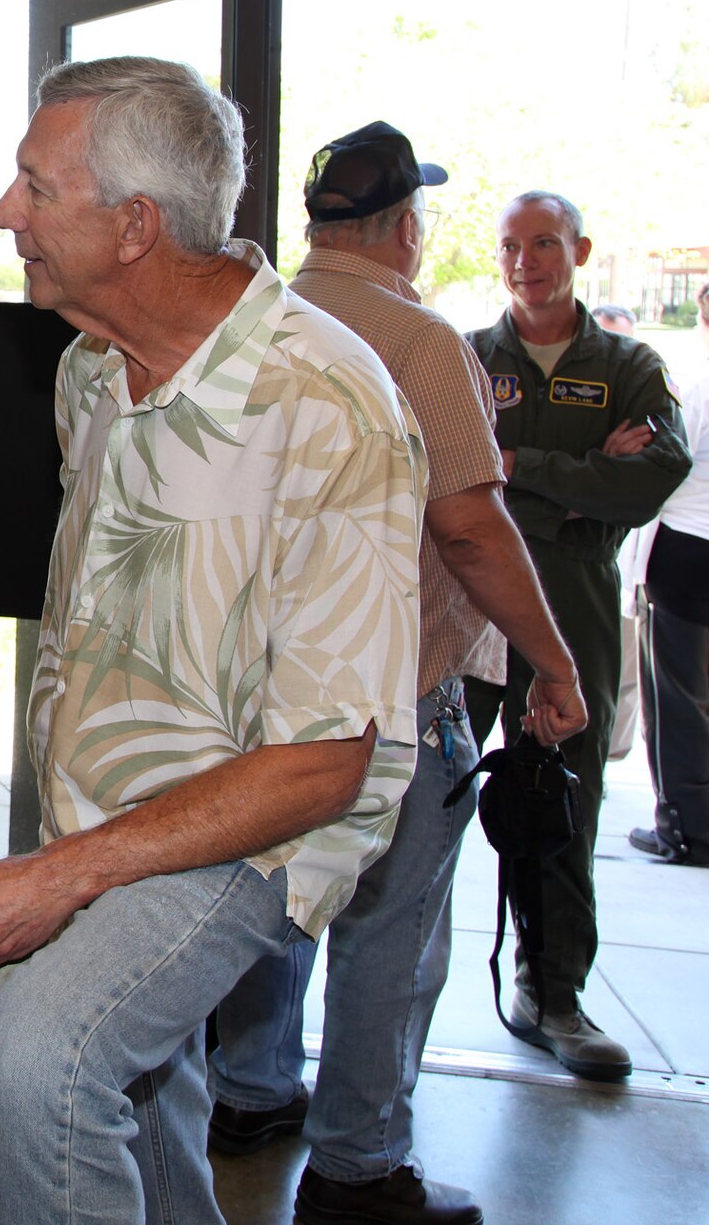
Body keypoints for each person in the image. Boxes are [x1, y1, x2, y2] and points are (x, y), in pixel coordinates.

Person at [0, 58, 426, 1224]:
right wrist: (63, 846)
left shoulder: (323, 398)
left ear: (133, 225)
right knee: (142, 1100)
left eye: (33, 188)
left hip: (244, 828)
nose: (6, 214)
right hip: (101, 814)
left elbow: (322, 760)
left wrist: (55, 877)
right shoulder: (88, 373)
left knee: (36, 1064)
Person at [209, 122, 587, 1225]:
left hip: (266, 685)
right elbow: (467, 528)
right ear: (405, 228)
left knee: (274, 890)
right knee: (387, 921)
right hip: (389, 696)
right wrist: (550, 663)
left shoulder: (259, 322)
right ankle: (357, 1164)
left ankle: (246, 1088)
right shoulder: (420, 343)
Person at [464, 191, 691, 1080]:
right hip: (472, 606)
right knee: (425, 795)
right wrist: (582, 479)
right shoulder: (472, 358)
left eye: (546, 243)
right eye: (513, 246)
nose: (528, 261)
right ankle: (396, 987)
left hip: (578, 611)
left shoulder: (631, 366)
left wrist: (516, 466)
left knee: (563, 798)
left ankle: (554, 994)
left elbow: (653, 478)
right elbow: (446, 474)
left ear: (580, 250)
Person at [630, 281, 709, 865]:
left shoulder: (697, 384)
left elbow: (667, 470)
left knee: (678, 695)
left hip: (686, 548)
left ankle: (685, 825)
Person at [593, 305, 653, 765]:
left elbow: (645, 479)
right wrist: (600, 467)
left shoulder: (640, 373)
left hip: (615, 558)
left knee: (622, 677)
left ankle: (612, 753)